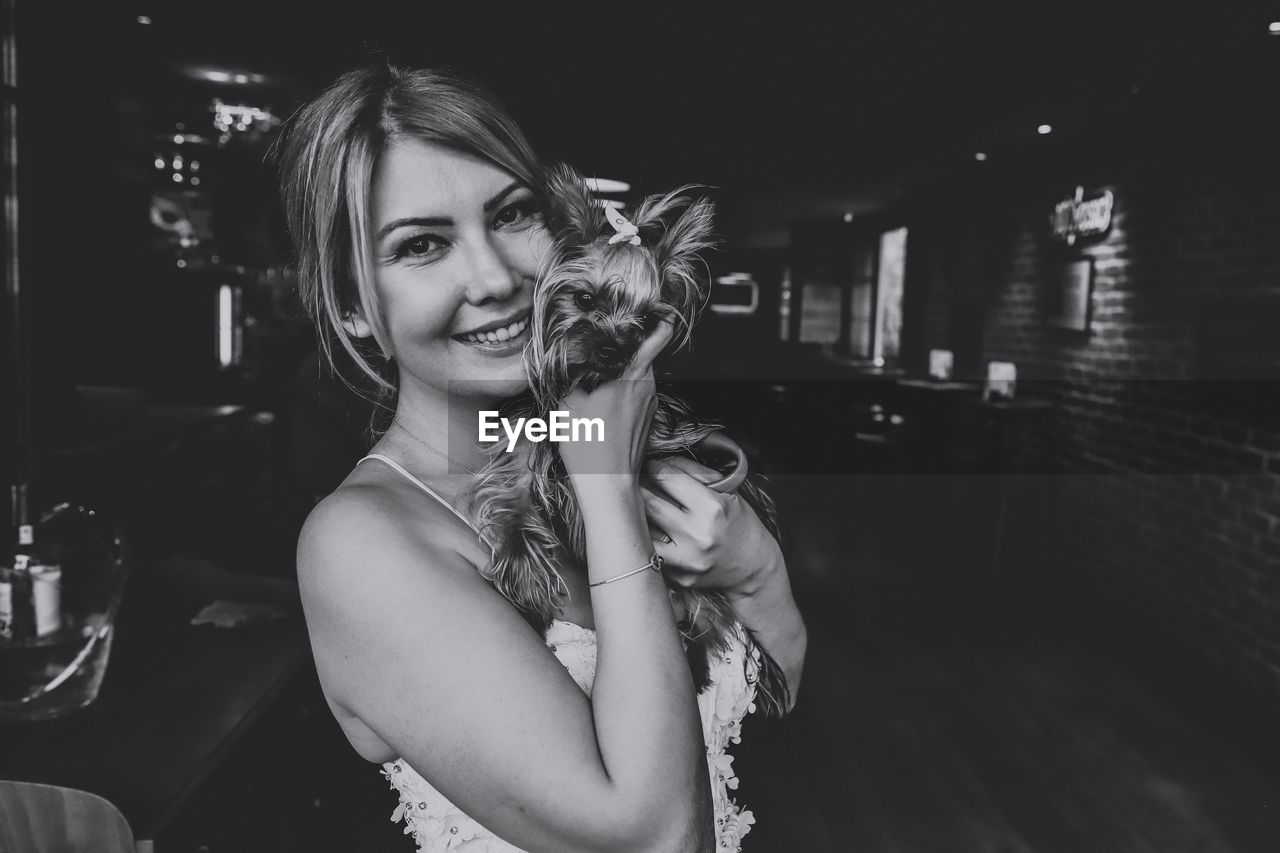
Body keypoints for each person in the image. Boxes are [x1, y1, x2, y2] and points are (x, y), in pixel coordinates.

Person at [274, 63, 807, 853]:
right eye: (422, 244)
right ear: (353, 307)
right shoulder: (360, 545)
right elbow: (659, 838)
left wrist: (758, 568)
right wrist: (609, 489)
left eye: (513, 214)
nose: (494, 278)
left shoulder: (590, 446)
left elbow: (774, 711)